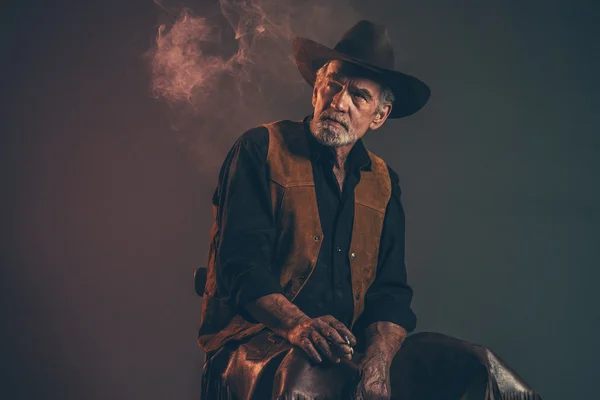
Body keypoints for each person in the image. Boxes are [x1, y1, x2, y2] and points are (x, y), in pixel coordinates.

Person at [197, 20, 543, 400]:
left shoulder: (384, 183)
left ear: (379, 115)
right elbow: (241, 268)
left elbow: (390, 293)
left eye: (359, 96)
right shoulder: (260, 149)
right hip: (256, 340)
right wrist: (298, 326)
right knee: (304, 377)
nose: (339, 102)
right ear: (316, 88)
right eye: (333, 85)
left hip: (351, 351)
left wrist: (378, 360)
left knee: (480, 366)